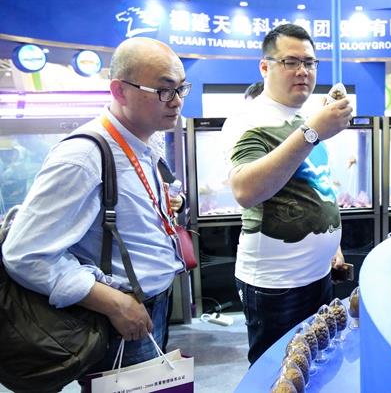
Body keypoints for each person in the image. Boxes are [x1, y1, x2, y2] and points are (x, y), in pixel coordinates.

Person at [2, 37, 190, 375]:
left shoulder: (145, 143)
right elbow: (25, 254)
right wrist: (114, 304)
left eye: (180, 88)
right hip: (117, 318)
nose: (176, 101)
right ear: (119, 91)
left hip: (153, 304)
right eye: (164, 90)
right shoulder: (82, 158)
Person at [222, 23, 354, 364]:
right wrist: (312, 132)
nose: (302, 71)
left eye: (309, 62)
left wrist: (333, 244)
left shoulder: (305, 117)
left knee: (315, 364)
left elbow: (318, 185)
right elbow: (246, 190)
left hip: (318, 274)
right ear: (265, 67)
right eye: (290, 62)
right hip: (277, 285)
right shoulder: (247, 119)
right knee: (278, 373)